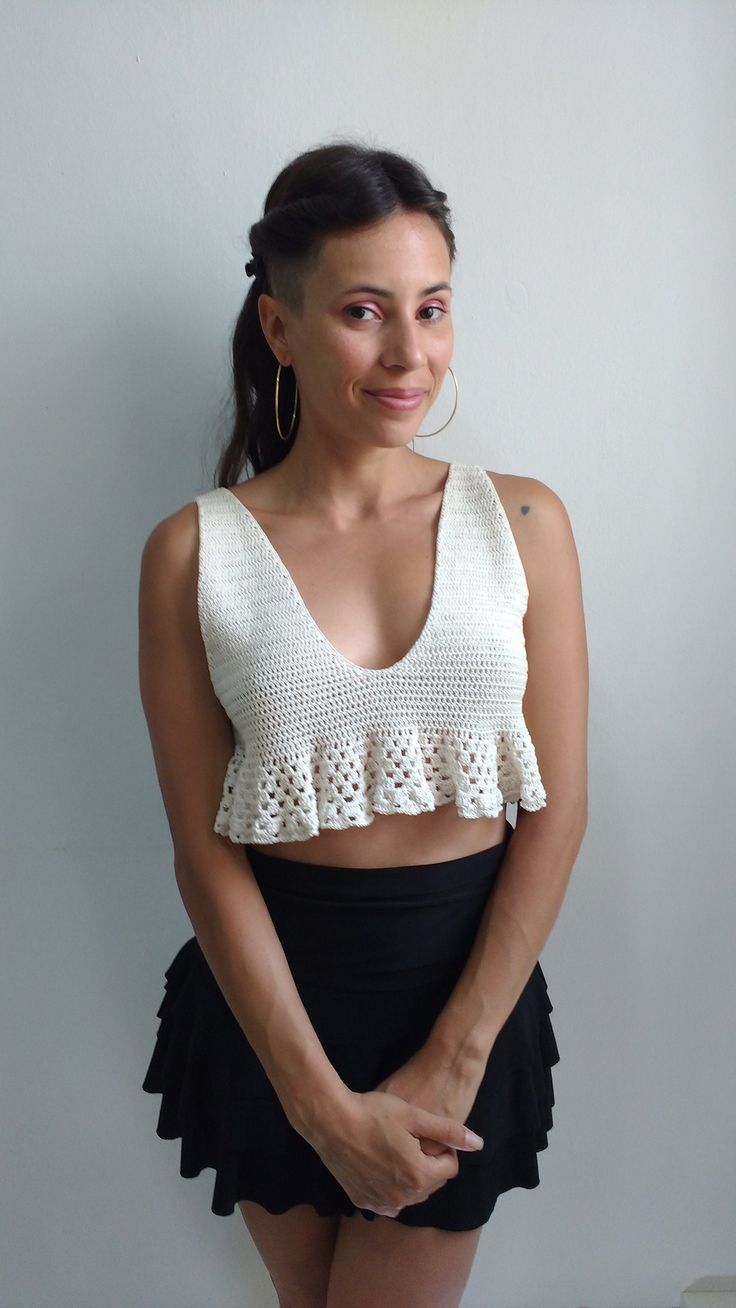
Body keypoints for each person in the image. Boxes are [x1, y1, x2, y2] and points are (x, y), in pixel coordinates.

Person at [139, 139, 588, 1308]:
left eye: (432, 309)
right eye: (362, 311)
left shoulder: (524, 523)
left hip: (463, 996)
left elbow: (556, 809)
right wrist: (315, 1101)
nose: (411, 356)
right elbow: (203, 848)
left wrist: (456, 1053)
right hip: (269, 1005)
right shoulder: (195, 552)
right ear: (280, 329)